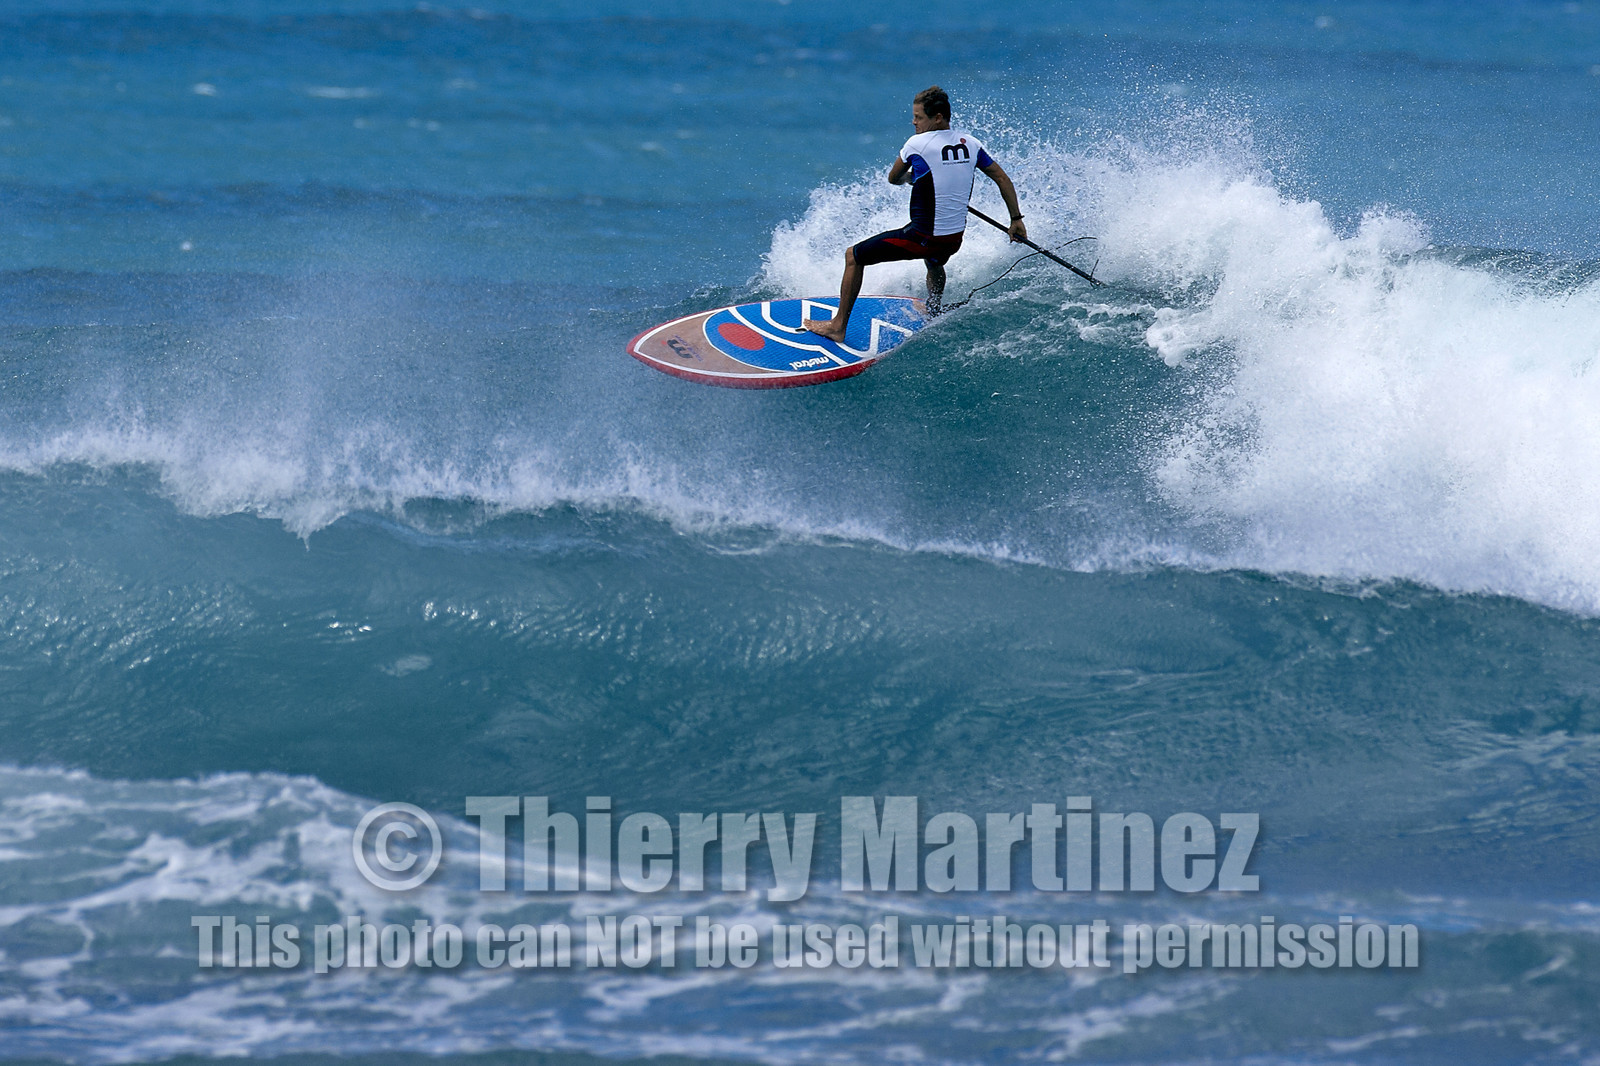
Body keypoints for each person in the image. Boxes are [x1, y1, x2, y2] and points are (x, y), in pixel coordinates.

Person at [805, 85, 1027, 342]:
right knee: (934, 261)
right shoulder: (971, 144)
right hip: (953, 241)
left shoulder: (917, 144)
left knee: (854, 256)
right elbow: (1001, 178)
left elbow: (893, 178)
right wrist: (1016, 219)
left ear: (938, 117)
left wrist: (913, 177)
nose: (914, 122)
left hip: (922, 238)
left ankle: (838, 326)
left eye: (919, 117)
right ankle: (933, 308)